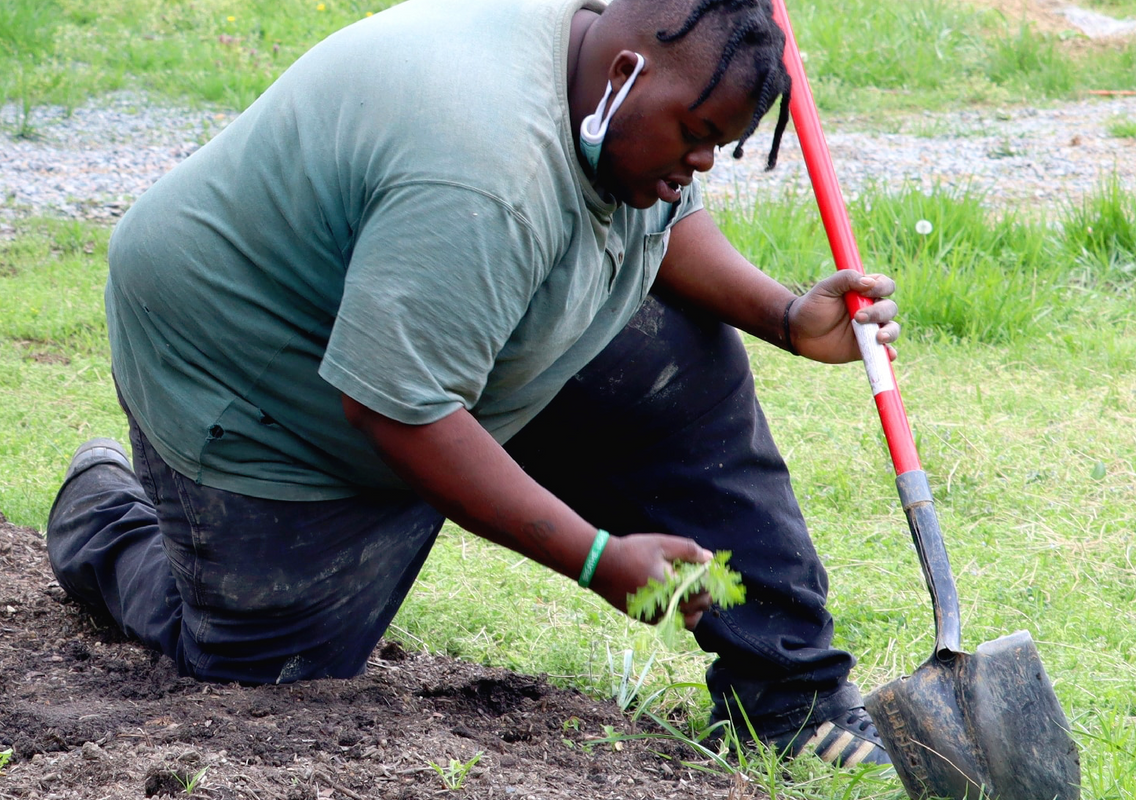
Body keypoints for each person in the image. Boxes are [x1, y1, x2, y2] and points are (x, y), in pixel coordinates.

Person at [47, 0, 900, 769]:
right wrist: (597, 557)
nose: (702, 162)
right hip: (246, 364)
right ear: (626, 74)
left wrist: (786, 317)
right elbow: (397, 411)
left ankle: (789, 700)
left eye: (720, 141)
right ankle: (104, 517)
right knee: (270, 677)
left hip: (425, 311)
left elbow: (663, 213)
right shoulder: (484, 170)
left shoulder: (610, 87)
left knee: (680, 365)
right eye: (695, 134)